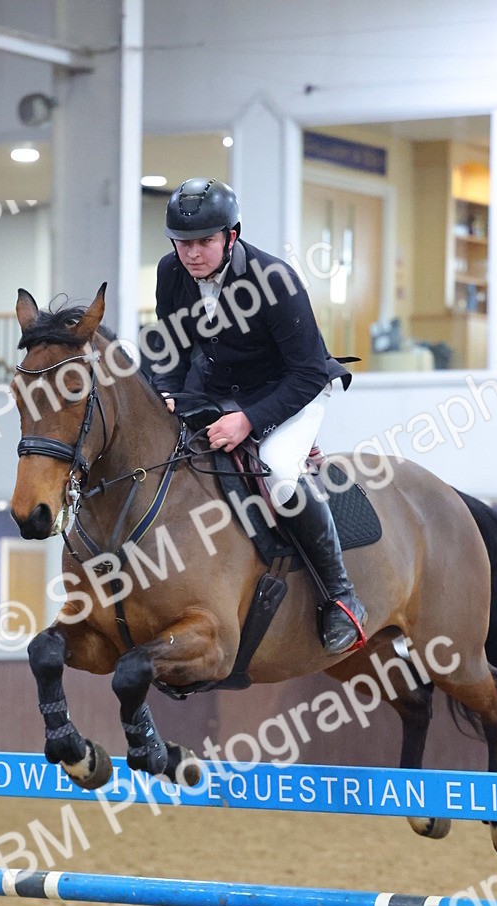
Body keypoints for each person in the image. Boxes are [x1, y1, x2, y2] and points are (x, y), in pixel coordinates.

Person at [151, 176, 366, 654]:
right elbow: (170, 349)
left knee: (280, 473)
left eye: (204, 241)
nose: (192, 254)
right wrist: (165, 394)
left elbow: (308, 372)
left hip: (292, 389)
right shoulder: (171, 272)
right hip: (217, 390)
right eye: (182, 242)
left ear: (231, 236)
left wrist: (247, 420)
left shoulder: (275, 281)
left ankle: (341, 595)